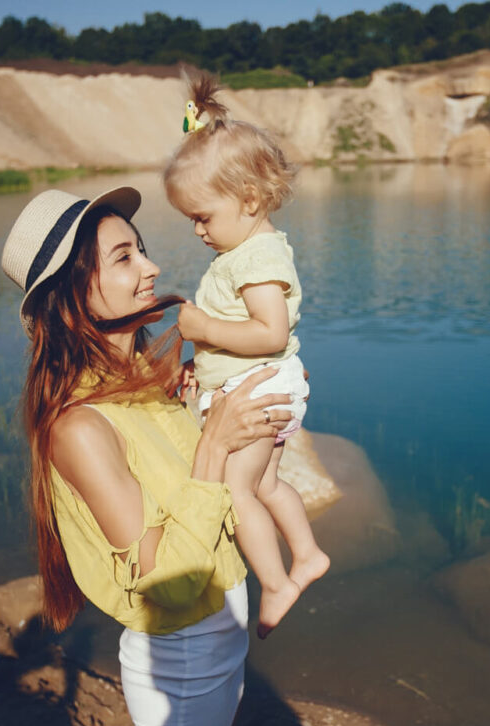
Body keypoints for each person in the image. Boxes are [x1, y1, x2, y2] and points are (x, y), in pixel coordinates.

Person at [2, 185, 291, 726]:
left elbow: (190, 493)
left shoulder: (143, 381)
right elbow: (166, 583)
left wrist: (249, 388)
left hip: (216, 630)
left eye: (141, 250)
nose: (152, 267)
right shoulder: (79, 427)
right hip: (182, 647)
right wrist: (213, 445)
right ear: (71, 297)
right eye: (123, 258)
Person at [164, 76, 329, 639]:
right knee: (266, 485)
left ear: (250, 200)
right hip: (261, 383)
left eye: (203, 216)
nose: (197, 230)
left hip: (260, 384)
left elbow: (270, 331)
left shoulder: (253, 258)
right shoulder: (248, 251)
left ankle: (278, 582)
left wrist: (202, 326)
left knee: (238, 488)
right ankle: (306, 554)